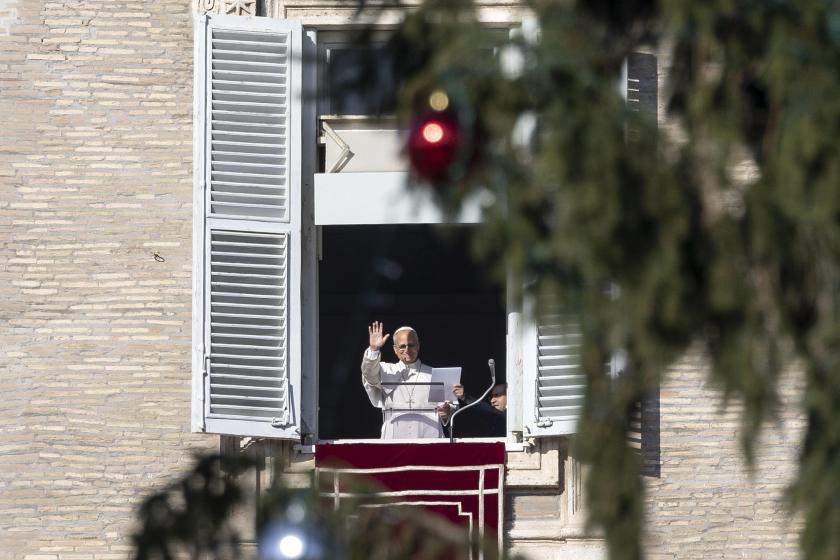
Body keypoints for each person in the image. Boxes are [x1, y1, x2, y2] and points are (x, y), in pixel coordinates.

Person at [361, 321, 452, 439]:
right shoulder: (385, 370)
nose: (407, 350)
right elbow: (369, 374)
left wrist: (447, 411)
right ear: (395, 349)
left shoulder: (434, 373)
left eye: (411, 345)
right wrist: (374, 350)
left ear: (418, 346)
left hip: (429, 435)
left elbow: (448, 406)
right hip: (394, 438)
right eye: (402, 346)